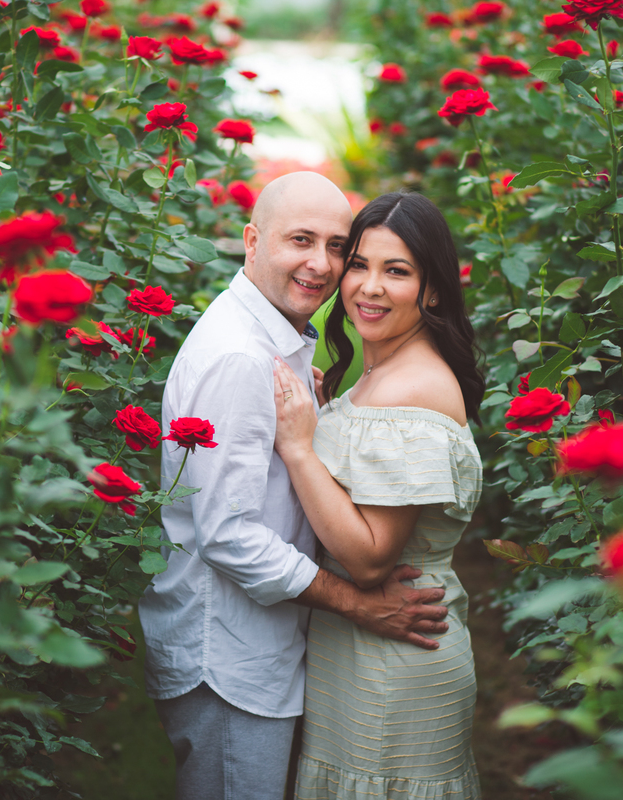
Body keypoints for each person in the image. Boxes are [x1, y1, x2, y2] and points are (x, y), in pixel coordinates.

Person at [138, 173, 453, 800]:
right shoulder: (241, 358)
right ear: (252, 241)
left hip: (259, 646)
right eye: (301, 240)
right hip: (230, 656)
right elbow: (227, 535)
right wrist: (359, 603)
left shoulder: (274, 340)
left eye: (338, 246)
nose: (321, 264)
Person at [271, 191, 486, 799]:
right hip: (363, 650)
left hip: (396, 660)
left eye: (397, 272)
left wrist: (299, 447)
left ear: (433, 290)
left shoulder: (413, 389)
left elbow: (369, 557)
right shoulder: (383, 370)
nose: (367, 287)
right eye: (359, 264)